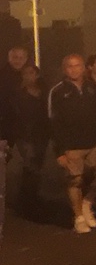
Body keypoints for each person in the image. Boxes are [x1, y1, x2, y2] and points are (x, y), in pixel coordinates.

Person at [49, 54, 96, 234]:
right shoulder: (58, 91)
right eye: (70, 66)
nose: (74, 69)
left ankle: (87, 204)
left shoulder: (92, 87)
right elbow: (53, 123)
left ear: (84, 67)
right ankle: (78, 217)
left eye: (77, 66)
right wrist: (59, 151)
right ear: (64, 69)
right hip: (71, 145)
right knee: (75, 180)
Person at [7, 63, 49, 217]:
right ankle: (26, 203)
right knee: (30, 166)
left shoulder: (43, 92)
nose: (29, 76)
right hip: (25, 136)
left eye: (32, 73)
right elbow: (15, 117)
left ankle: (31, 199)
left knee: (37, 167)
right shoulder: (18, 94)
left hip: (41, 135)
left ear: (37, 75)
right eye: (26, 73)